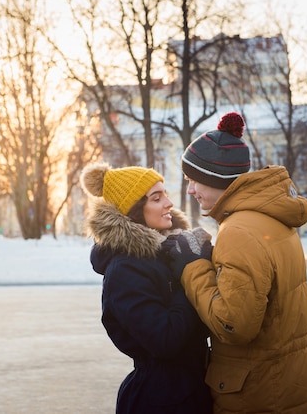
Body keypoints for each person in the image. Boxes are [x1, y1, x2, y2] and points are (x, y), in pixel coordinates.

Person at [167, 112, 307, 413]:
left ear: (215, 178)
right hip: (286, 386)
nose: (189, 190)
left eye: (193, 180)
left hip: (257, 396)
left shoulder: (238, 231)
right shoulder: (271, 219)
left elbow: (234, 324)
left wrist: (193, 266)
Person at [80, 162, 213, 414]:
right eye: (156, 197)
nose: (169, 203)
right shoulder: (125, 270)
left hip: (193, 390)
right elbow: (164, 341)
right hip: (161, 401)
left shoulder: (166, 254)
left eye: (165, 194)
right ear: (135, 210)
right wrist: (190, 273)